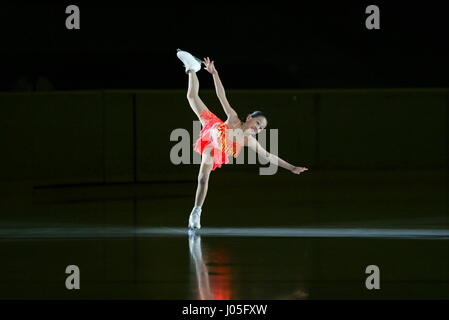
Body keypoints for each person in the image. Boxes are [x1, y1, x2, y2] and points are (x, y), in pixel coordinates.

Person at [176, 49, 308, 230]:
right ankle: (192, 68)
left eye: (262, 128)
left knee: (203, 179)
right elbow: (221, 95)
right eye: (258, 123)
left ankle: (196, 212)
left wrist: (292, 167)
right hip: (213, 127)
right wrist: (214, 74)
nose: (259, 128)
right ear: (249, 118)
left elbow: (269, 156)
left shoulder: (249, 141)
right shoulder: (233, 118)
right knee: (191, 97)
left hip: (215, 148)